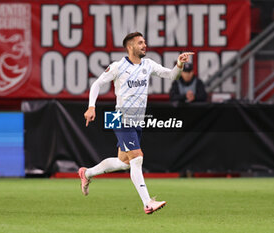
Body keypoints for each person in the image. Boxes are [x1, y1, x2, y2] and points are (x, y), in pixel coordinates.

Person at [79, 32, 193, 214]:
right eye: (140, 43)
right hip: (120, 117)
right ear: (130, 47)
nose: (144, 45)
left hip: (137, 120)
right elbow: (96, 84)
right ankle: (148, 203)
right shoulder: (118, 66)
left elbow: (172, 76)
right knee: (137, 157)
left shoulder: (148, 65)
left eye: (144, 42)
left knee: (124, 162)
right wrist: (91, 107)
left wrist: (179, 64)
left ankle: (87, 173)